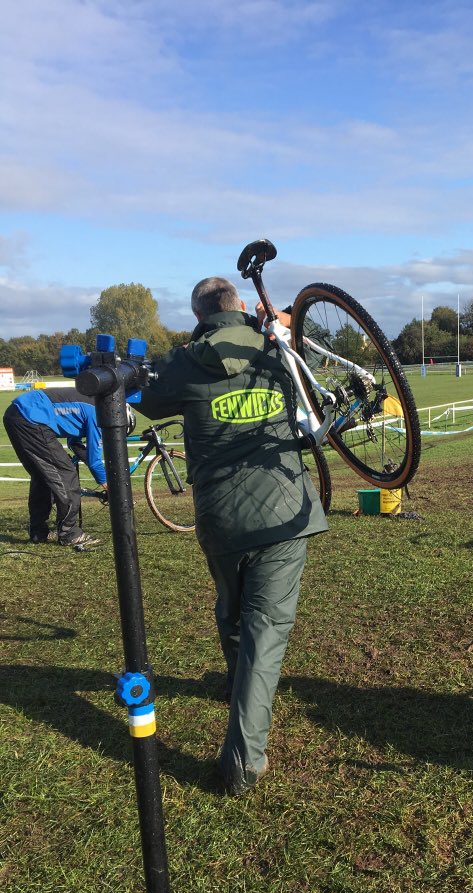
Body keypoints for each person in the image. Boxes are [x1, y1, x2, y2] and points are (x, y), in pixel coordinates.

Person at [138, 276, 328, 797]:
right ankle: (244, 761)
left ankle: (232, 681)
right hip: (285, 510)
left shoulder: (184, 361)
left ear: (198, 315)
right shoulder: (272, 341)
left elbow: (143, 402)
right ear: (240, 305)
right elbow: (300, 327)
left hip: (219, 514)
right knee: (265, 631)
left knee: (231, 603)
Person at [3, 386, 108, 547]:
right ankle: (69, 533)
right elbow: (95, 460)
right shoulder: (100, 414)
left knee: (42, 476)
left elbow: (74, 444)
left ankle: (38, 533)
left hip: (15, 414)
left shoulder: (95, 402)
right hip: (33, 417)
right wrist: (107, 482)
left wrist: (91, 464)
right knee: (66, 474)